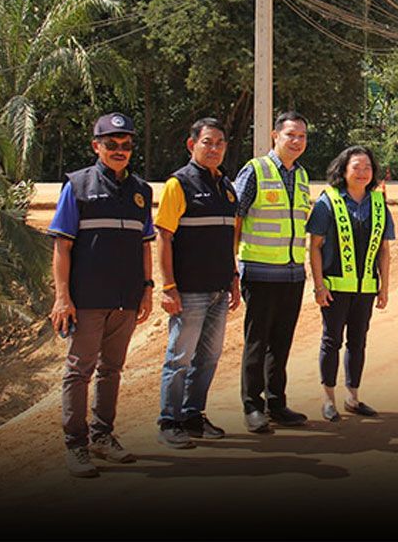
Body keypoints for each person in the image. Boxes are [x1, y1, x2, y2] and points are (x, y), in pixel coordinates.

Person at [47, 112, 154, 477]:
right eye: (111, 144)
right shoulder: (77, 186)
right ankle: (75, 446)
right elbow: (62, 246)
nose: (119, 150)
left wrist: (147, 288)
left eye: (125, 145)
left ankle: (102, 437)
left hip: (126, 298)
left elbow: (145, 245)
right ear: (97, 146)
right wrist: (62, 297)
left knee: (112, 370)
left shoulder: (141, 190)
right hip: (88, 299)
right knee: (80, 371)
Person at [153, 118, 240, 449]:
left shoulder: (226, 187)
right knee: (179, 357)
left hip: (219, 289)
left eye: (220, 143)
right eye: (208, 142)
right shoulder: (180, 184)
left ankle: (192, 415)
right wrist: (168, 286)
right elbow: (164, 236)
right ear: (192, 145)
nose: (215, 148)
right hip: (189, 290)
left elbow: (226, 239)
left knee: (209, 357)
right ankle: (168, 420)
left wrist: (232, 277)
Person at [233, 111, 312, 433]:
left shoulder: (303, 175)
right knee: (257, 341)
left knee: (282, 342)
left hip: (292, 273)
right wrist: (231, 268)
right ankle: (252, 405)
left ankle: (276, 403)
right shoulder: (255, 170)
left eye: (302, 136)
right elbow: (235, 219)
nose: (296, 141)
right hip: (260, 271)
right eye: (290, 135)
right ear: (274, 136)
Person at [306, 146, 395, 422]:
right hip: (334, 289)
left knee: (358, 342)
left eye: (367, 167)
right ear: (343, 170)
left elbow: (384, 250)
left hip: (366, 289)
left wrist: (384, 287)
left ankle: (353, 398)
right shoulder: (328, 201)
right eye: (356, 166)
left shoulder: (379, 203)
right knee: (331, 341)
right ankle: (328, 399)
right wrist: (319, 286)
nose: (362, 172)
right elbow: (315, 246)